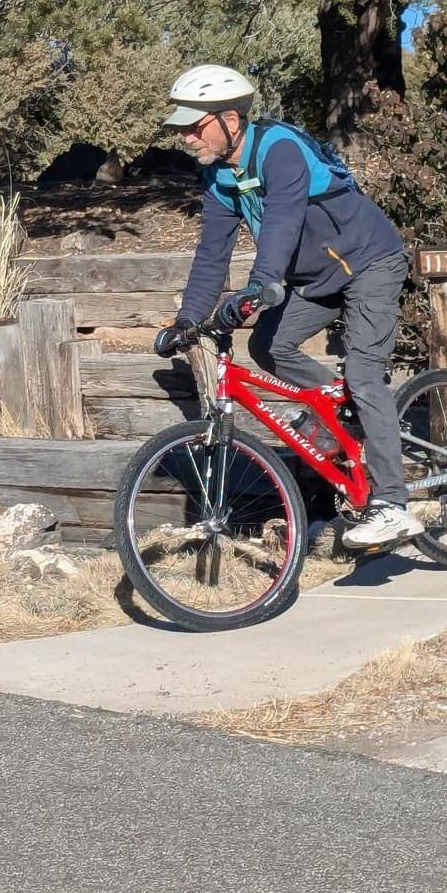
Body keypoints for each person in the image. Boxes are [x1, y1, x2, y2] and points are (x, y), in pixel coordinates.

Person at [152, 64, 423, 548]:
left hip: (369, 262)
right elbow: (212, 253)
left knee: (363, 373)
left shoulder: (279, 149)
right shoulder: (218, 179)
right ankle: (346, 415)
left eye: (195, 127)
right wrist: (187, 321)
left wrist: (260, 287)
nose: (187, 138)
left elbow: (281, 222)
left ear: (229, 120)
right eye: (182, 130)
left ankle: (393, 505)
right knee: (268, 344)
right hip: (317, 277)